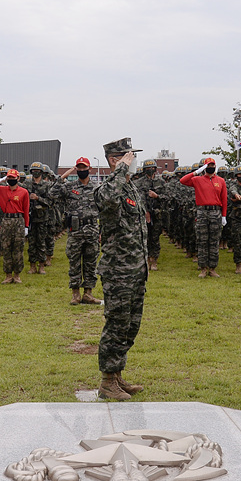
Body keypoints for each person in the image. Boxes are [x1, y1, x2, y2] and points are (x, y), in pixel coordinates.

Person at [94, 138, 148, 400]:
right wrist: (119, 170)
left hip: (136, 270)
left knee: (130, 326)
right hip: (118, 271)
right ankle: (106, 382)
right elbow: (106, 199)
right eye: (128, 156)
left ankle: (117, 375)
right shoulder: (107, 188)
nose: (133, 160)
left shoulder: (130, 188)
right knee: (116, 325)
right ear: (115, 160)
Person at [51, 157, 102, 304]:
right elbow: (52, 194)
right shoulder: (69, 187)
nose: (81, 171)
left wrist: (101, 231)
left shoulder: (96, 188)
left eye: (84, 168)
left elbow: (103, 210)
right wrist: (62, 178)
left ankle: (88, 293)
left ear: (89, 169)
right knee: (74, 262)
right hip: (75, 230)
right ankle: (75, 294)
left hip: (92, 229)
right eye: (79, 168)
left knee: (91, 262)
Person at [179, 157, 228, 278]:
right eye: (208, 165)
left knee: (214, 241)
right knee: (202, 241)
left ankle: (212, 268)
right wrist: (196, 172)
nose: (211, 167)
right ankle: (203, 268)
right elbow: (183, 180)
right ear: (205, 167)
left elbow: (224, 199)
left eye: (213, 165)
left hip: (215, 212)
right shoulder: (197, 180)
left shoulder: (221, 181)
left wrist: (224, 215)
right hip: (202, 212)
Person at [0, 168, 30, 284]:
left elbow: (26, 210)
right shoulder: (1, 190)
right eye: (9, 178)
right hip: (6, 220)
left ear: (18, 179)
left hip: (18, 221)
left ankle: (17, 274)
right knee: (6, 248)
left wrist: (26, 226)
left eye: (13, 178)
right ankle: (8, 275)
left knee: (18, 249)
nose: (11, 180)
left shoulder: (23, 192)